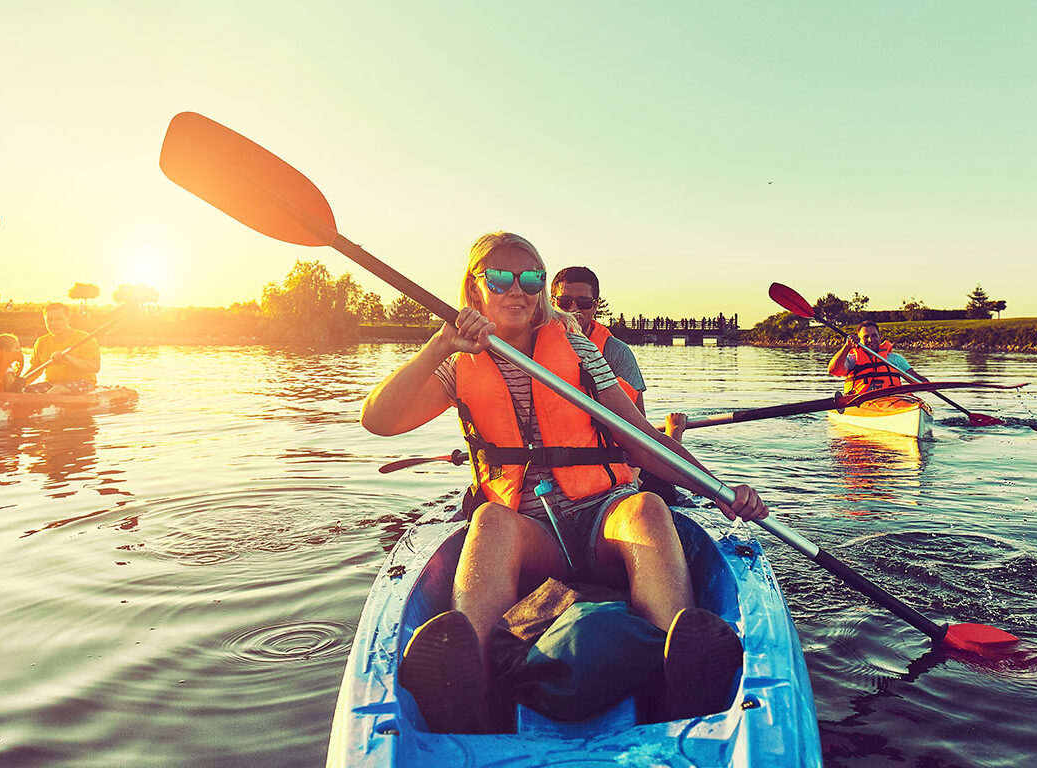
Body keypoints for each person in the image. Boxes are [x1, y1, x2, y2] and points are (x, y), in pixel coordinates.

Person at [360, 231, 767, 733]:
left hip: (602, 520)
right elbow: (378, 419)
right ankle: (473, 686)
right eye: (500, 277)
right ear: (474, 288)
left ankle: (675, 669)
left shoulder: (575, 346)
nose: (517, 289)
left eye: (530, 277)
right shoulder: (455, 361)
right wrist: (439, 343)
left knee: (647, 510)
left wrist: (720, 493)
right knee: (489, 519)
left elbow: (641, 440)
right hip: (534, 538)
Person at [550, 266, 647, 412]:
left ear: (595, 306)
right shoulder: (530, 345)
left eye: (584, 303)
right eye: (564, 301)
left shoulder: (617, 352)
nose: (573, 309)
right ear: (552, 303)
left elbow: (638, 421)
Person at [827, 319, 923, 395]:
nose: (870, 339)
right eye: (865, 337)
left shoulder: (895, 359)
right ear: (858, 340)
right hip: (861, 405)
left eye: (874, 336)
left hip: (892, 403)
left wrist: (930, 386)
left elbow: (915, 379)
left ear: (879, 337)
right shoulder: (852, 360)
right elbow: (833, 370)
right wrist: (847, 346)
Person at [23, 303, 100, 394]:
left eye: (59, 319)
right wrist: (20, 383)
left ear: (68, 319)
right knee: (25, 391)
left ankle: (46, 405)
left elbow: (95, 367)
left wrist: (68, 359)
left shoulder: (84, 338)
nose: (53, 323)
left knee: (58, 390)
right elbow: (35, 369)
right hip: (52, 383)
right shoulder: (41, 342)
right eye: (49, 320)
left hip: (83, 382)